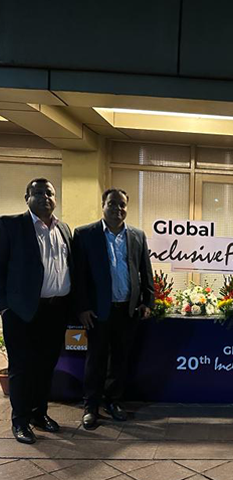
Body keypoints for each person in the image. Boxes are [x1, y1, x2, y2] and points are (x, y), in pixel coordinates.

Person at [73, 188, 154, 429]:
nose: (118, 209)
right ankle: (90, 406)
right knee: (96, 359)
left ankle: (113, 401)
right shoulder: (85, 234)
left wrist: (147, 302)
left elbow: (145, 272)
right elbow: (78, 276)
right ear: (103, 205)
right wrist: (83, 307)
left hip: (126, 311)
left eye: (122, 205)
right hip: (98, 311)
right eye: (112, 204)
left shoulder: (137, 236)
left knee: (120, 359)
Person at [0, 179, 72, 444]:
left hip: (55, 310)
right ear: (26, 197)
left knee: (45, 366)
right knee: (21, 368)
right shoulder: (10, 225)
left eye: (49, 193)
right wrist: (5, 307)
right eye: (38, 192)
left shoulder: (63, 229)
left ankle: (39, 414)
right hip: (21, 312)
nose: (45, 197)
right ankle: (20, 422)